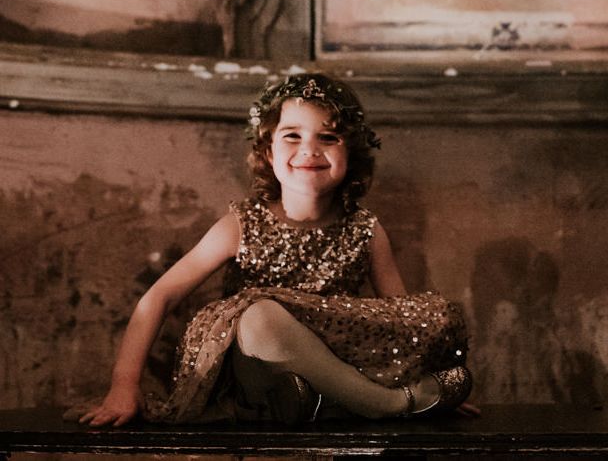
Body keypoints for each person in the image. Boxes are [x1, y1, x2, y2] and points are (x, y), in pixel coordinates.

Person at [80, 73, 475, 427]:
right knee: (260, 318)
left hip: (337, 364)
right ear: (268, 152)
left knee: (432, 314)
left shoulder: (365, 230)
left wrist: (432, 375)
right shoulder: (242, 224)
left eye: (329, 137)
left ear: (351, 154)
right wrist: (123, 385)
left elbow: (400, 321)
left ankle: (319, 401)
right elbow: (158, 297)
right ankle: (387, 404)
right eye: (292, 136)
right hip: (256, 364)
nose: (310, 150)